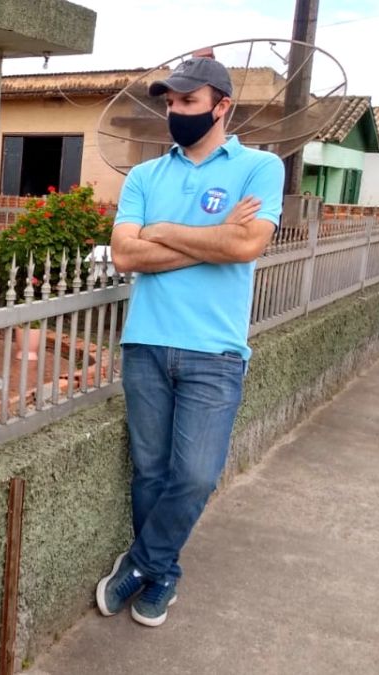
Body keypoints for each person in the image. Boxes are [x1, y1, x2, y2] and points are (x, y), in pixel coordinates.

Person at [100, 57, 284, 627]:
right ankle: (163, 577)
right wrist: (215, 236)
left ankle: (143, 564)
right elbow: (125, 254)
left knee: (197, 474)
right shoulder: (145, 176)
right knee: (150, 472)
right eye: (171, 103)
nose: (175, 112)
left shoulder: (261, 167)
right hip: (146, 343)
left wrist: (163, 232)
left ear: (221, 106)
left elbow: (246, 247)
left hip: (216, 351)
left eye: (187, 102)